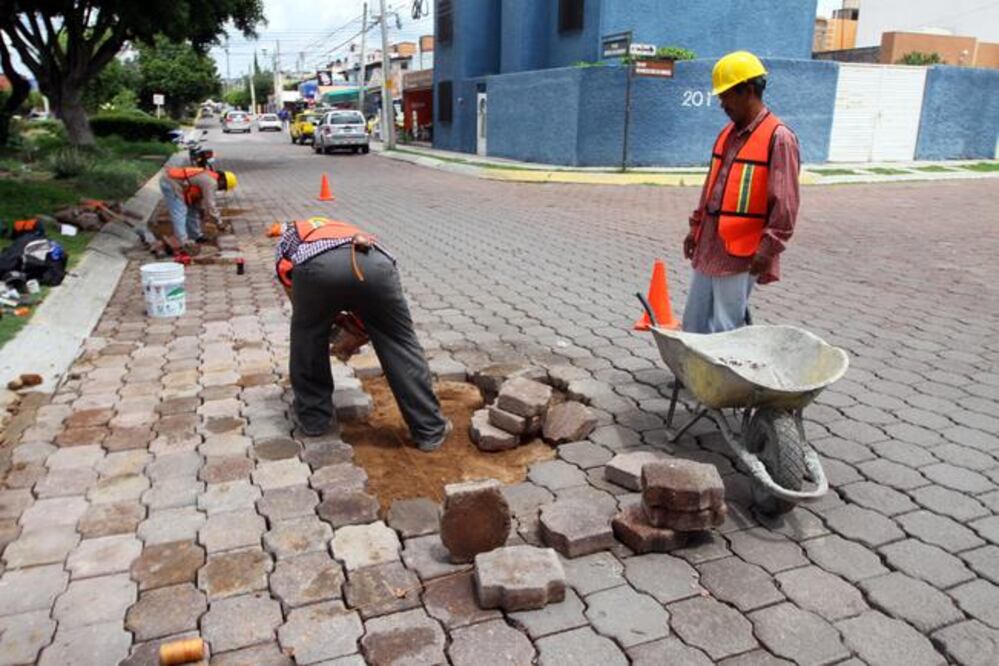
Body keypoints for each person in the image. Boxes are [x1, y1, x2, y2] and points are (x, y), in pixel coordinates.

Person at [275, 217, 452, 450]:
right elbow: (368, 302)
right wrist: (357, 326)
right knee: (399, 342)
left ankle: (314, 421)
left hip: (318, 270)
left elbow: (286, 276)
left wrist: (319, 322)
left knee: (307, 338)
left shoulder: (291, 233)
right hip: (376, 266)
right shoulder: (346, 228)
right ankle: (429, 430)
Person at [682, 51, 800, 334]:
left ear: (747, 90)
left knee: (726, 327)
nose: (722, 104)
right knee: (694, 323)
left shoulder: (779, 138)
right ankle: (695, 364)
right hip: (710, 244)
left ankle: (727, 365)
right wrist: (695, 229)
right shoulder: (727, 134)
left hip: (743, 251)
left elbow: (785, 204)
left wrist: (768, 249)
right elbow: (711, 188)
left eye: (726, 96)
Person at [159, 166, 237, 254]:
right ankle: (183, 242)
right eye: (223, 188)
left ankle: (195, 236)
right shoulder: (211, 182)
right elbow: (210, 204)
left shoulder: (209, 177)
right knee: (180, 210)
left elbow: (200, 197)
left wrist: (201, 209)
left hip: (178, 183)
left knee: (193, 208)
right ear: (223, 181)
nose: (220, 190)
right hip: (171, 182)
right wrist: (219, 222)